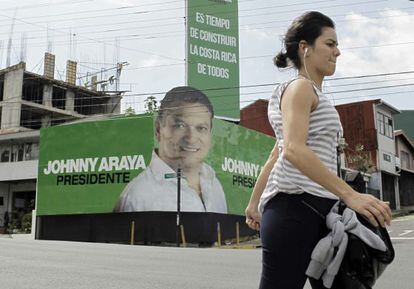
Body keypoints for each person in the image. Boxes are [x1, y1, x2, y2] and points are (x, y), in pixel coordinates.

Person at [244, 11, 392, 289]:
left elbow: (275, 153)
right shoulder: (300, 88)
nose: (338, 52)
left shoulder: (314, 93)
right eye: (330, 43)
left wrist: (253, 204)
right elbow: (292, 150)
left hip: (321, 212)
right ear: (305, 48)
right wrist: (351, 196)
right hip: (294, 209)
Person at [114, 86, 227, 213]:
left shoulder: (213, 183)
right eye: (180, 125)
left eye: (201, 128)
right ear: (158, 129)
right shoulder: (138, 196)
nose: (191, 138)